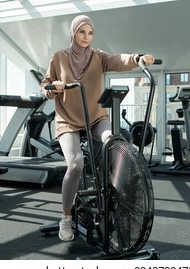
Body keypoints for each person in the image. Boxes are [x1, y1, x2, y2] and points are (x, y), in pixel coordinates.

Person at [41, 14, 155, 241]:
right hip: (68, 120)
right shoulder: (59, 58)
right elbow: (45, 87)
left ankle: (105, 189)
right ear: (73, 33)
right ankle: (66, 217)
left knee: (113, 142)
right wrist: (54, 87)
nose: (86, 37)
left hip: (94, 116)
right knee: (75, 164)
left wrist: (138, 58)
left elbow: (118, 60)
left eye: (90, 32)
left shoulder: (98, 56)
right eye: (82, 32)